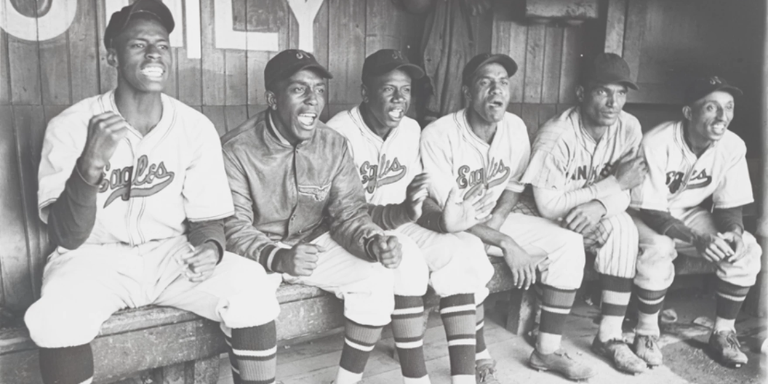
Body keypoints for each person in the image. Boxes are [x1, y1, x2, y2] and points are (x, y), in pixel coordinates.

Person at [24, 2, 281, 384]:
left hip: (170, 256)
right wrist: (90, 164)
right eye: (138, 45)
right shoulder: (72, 126)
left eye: (161, 45)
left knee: (253, 287)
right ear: (112, 56)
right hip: (93, 259)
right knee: (55, 320)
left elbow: (208, 218)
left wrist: (210, 250)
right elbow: (67, 235)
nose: (153, 54)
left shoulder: (194, 127)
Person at [222, 49, 429, 384]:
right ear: (272, 98)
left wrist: (373, 242)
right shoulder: (237, 149)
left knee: (375, 279)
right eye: (299, 89)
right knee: (248, 302)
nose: (312, 101)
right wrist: (278, 256)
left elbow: (348, 212)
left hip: (311, 243)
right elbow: (234, 228)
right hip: (259, 252)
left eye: (319, 90)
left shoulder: (333, 144)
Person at [327, 49, 499, 384]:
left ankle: (463, 377)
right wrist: (406, 215)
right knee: (406, 260)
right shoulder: (338, 132)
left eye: (405, 90)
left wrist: (442, 223)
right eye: (389, 88)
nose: (399, 99)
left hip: (401, 221)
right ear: (365, 92)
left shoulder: (409, 129)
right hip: (356, 228)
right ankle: (415, 379)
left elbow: (415, 202)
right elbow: (340, 213)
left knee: (464, 250)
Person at [421, 52, 594, 381]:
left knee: (568, 243)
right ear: (468, 92)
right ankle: (480, 356)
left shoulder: (514, 127)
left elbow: (514, 184)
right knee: (467, 255)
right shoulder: (438, 135)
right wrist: (504, 242)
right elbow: (451, 214)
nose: (496, 90)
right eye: (485, 83)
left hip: (494, 220)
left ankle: (546, 351)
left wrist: (499, 226)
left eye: (503, 82)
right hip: (451, 226)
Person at [521, 52, 649, 375]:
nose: (613, 102)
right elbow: (548, 204)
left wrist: (601, 205)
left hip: (589, 213)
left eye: (621, 93)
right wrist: (611, 186)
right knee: (569, 240)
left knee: (624, 228)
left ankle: (610, 336)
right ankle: (546, 333)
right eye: (603, 91)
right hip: (541, 215)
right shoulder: (557, 135)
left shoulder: (629, 127)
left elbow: (631, 192)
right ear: (581, 93)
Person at [630, 76, 762, 368]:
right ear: (689, 112)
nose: (722, 116)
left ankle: (723, 333)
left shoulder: (732, 145)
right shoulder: (657, 141)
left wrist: (735, 232)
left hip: (687, 213)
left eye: (728, 107)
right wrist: (696, 238)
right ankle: (646, 332)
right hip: (641, 212)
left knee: (747, 249)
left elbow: (730, 205)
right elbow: (651, 210)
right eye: (711, 108)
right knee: (660, 247)